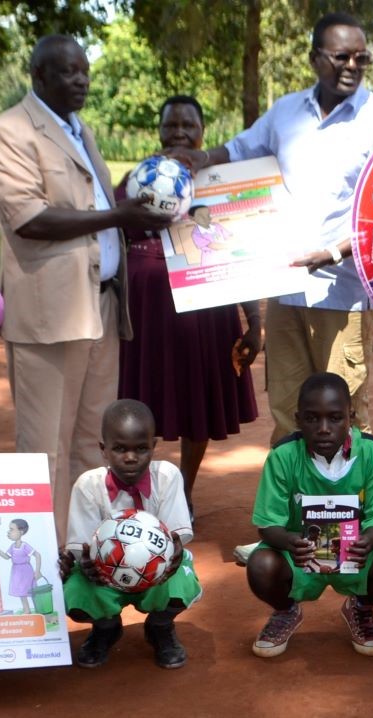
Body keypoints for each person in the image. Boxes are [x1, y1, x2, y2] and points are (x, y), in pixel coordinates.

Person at [170, 13, 373, 443]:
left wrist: (333, 252)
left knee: (345, 413)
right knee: (288, 410)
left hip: (343, 294)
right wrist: (201, 159)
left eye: (361, 58)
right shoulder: (285, 113)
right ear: (315, 59)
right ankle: (291, 489)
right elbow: (239, 150)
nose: (353, 66)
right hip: (284, 289)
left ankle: (352, 490)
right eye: (341, 57)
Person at [0, 36, 165, 541]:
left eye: (84, 70)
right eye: (68, 72)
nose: (81, 80)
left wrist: (134, 211)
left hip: (102, 304)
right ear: (39, 76)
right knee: (46, 447)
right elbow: (30, 219)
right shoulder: (10, 131)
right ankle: (45, 558)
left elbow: (95, 204)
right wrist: (118, 215)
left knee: (93, 443)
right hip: (51, 314)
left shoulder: (79, 129)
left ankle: (89, 552)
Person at [115, 95, 260, 512]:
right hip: (145, 316)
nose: (178, 133)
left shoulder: (221, 184)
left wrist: (254, 319)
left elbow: (240, 251)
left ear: (202, 132)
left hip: (204, 315)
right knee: (141, 400)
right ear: (159, 130)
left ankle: (184, 492)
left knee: (198, 404)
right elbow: (111, 240)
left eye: (188, 126)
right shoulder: (134, 180)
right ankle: (139, 492)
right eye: (170, 125)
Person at [245, 372, 373, 658]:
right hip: (301, 557)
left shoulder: (371, 452)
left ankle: (361, 607)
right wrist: (290, 542)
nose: (323, 429)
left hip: (356, 556)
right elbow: (268, 524)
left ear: (351, 417)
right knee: (260, 566)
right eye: (312, 418)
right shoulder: (283, 456)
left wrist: (368, 541)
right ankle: (285, 610)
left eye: (335, 418)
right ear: (298, 419)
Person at [60, 400, 199, 669]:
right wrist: (86, 565)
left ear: (153, 446)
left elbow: (176, 539)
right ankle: (106, 627)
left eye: (141, 448)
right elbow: (81, 549)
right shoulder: (87, 486)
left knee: (181, 581)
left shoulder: (167, 476)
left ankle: (160, 626)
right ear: (103, 450)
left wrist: (173, 555)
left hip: (156, 575)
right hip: (105, 577)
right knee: (73, 591)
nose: (131, 457)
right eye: (120, 449)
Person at [0, 519, 42, 614]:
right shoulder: (12, 546)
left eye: (12, 529)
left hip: (26, 571)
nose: (9, 532)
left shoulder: (25, 546)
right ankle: (27, 610)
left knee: (31, 590)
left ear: (21, 532)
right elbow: (6, 557)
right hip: (16, 571)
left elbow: (37, 555)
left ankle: (39, 610)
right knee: (21, 592)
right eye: (9, 529)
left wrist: (37, 571)